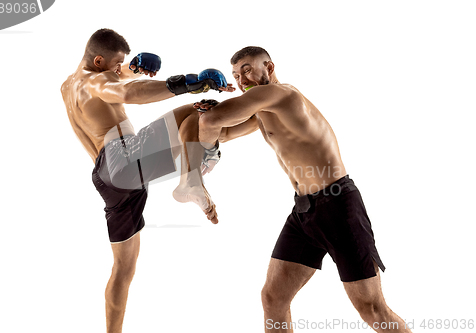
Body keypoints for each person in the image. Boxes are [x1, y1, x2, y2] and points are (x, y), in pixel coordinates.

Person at [196, 46, 413, 333]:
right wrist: (206, 119)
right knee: (273, 298)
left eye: (248, 69)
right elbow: (221, 131)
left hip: (337, 206)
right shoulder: (262, 108)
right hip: (304, 210)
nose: (242, 79)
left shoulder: (279, 94)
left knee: (372, 308)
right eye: (236, 74)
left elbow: (211, 125)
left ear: (269, 68)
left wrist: (207, 128)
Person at [60, 28, 234, 333]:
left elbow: (114, 81)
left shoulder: (69, 85)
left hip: (107, 180)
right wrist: (186, 84)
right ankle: (191, 178)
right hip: (122, 158)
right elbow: (126, 93)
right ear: (99, 62)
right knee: (195, 112)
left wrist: (131, 69)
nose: (120, 71)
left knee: (123, 270)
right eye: (117, 66)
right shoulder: (99, 81)